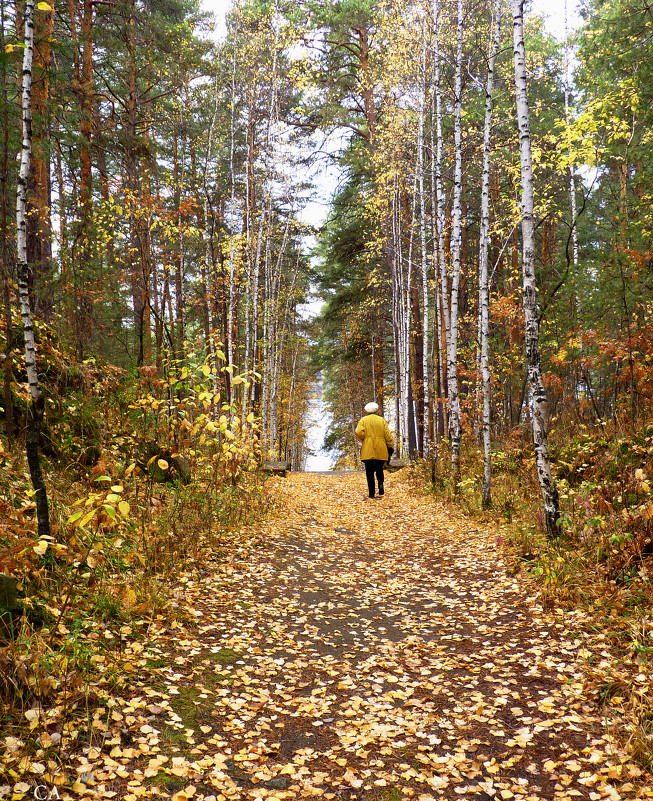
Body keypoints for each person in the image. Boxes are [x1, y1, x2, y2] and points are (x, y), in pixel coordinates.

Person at [355, 402, 394, 499]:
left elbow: (359, 432)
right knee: (379, 469)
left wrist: (364, 437)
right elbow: (387, 435)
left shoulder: (363, 420)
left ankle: (371, 492)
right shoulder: (381, 420)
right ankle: (380, 484)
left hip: (368, 448)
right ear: (376, 410)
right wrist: (390, 446)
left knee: (369, 471)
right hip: (380, 447)